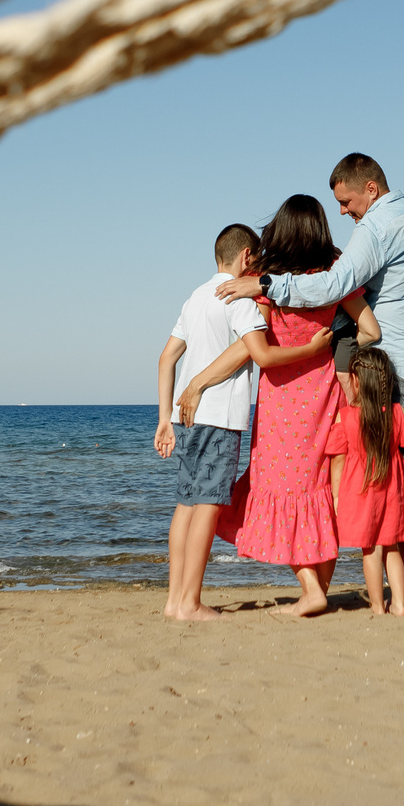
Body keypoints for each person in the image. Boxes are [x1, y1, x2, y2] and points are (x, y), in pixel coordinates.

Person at [218, 153, 404, 608]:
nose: (344, 212)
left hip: (391, 368)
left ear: (370, 188)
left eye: (347, 201)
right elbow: (362, 312)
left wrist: (267, 286)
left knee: (401, 489)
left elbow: (332, 286)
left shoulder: (374, 230)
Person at [176, 195, 377, 617]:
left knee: (275, 492)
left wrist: (198, 381)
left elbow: (249, 350)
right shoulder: (334, 277)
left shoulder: (269, 281)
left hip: (281, 404)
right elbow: (370, 331)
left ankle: (311, 590)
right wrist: (330, 355)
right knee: (319, 492)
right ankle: (317, 588)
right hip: (325, 397)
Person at [152, 224, 287, 621]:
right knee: (207, 507)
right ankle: (190, 603)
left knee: (186, 505)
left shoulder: (194, 298)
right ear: (248, 256)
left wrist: (164, 418)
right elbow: (251, 350)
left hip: (184, 418)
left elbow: (165, 358)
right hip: (219, 416)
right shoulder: (239, 296)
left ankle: (175, 600)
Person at [324, 346, 404, 613]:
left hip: (359, 492)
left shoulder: (346, 416)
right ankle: (399, 603)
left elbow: (337, 461)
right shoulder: (396, 414)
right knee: (391, 547)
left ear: (356, 381)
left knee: (370, 551)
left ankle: (377, 606)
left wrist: (337, 497)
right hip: (392, 489)